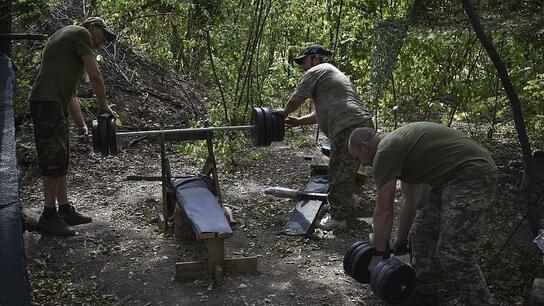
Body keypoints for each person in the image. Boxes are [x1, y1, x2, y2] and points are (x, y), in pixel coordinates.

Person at [348, 122, 498, 305]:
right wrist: (400, 241)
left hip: (472, 175)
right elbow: (410, 200)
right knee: (422, 233)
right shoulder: (397, 147)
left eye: (358, 158)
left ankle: (482, 301)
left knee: (453, 252)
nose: (362, 164)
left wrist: (379, 256)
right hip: (449, 179)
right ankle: (424, 293)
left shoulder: (385, 152)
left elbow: (384, 210)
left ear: (364, 146)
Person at [29, 17, 118, 236]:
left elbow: (71, 95)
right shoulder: (81, 34)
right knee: (54, 160)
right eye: (103, 35)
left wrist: (81, 126)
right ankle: (48, 215)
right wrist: (104, 106)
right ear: (92, 27)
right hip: (46, 103)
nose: (103, 42)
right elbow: (96, 75)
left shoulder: (70, 43)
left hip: (54, 103)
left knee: (62, 156)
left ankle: (65, 209)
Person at [275, 44, 373, 230]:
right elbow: (321, 113)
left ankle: (338, 218)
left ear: (315, 58)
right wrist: (298, 121)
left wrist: (285, 111)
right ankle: (346, 201)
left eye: (304, 61)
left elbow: (299, 96)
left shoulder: (317, 70)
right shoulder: (332, 74)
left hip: (347, 126)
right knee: (348, 168)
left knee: (338, 170)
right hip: (361, 122)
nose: (303, 66)